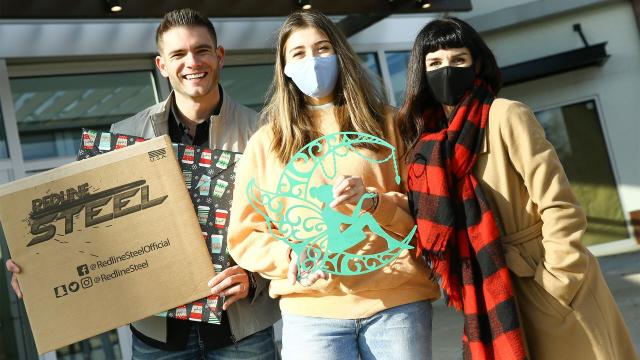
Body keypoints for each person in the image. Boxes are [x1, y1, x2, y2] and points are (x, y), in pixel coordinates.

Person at [6, 8, 280, 359]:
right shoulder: (126, 135)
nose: (192, 62)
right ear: (162, 65)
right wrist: (38, 264)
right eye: (178, 54)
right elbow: (87, 227)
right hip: (157, 339)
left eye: (201, 50)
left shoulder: (265, 134)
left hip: (242, 333)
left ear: (220, 55)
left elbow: (291, 225)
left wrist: (255, 277)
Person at [396, 17, 638, 360]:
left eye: (458, 59)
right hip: (488, 286)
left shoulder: (506, 115)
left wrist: (558, 281)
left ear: (477, 64)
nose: (446, 70)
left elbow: (560, 205)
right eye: (434, 63)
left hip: (543, 279)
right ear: (421, 72)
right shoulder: (427, 144)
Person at [226, 10, 440, 360]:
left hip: (397, 300)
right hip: (311, 312)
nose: (312, 60)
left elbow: (426, 209)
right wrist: (289, 255)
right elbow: (245, 232)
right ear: (284, 68)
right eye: (298, 53)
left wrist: (373, 203)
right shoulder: (267, 142)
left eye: (323, 48)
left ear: (341, 54)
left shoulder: (388, 124)